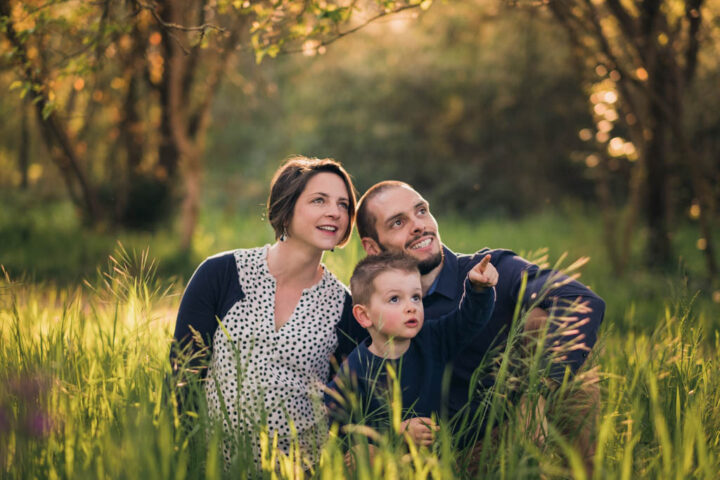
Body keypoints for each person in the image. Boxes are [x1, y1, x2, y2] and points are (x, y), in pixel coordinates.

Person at [354, 180, 605, 469]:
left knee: (546, 323)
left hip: (516, 436)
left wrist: (536, 396)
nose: (418, 225)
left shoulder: (491, 268)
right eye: (398, 222)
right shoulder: (370, 311)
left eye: (421, 211)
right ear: (373, 248)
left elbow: (580, 301)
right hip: (432, 458)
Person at [170, 156, 365, 467]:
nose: (335, 212)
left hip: (300, 469)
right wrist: (188, 459)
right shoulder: (220, 274)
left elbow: (351, 401)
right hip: (214, 466)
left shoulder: (344, 306)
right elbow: (184, 373)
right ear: (286, 208)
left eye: (343, 205)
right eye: (319, 200)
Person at [325, 251, 498, 449]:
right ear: (364, 316)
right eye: (395, 299)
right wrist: (394, 433)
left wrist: (478, 289)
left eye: (416, 297)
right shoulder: (355, 370)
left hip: (439, 457)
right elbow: (335, 428)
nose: (411, 307)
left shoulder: (433, 338)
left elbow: (468, 321)